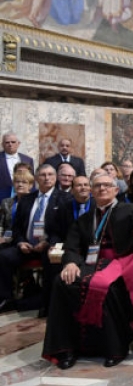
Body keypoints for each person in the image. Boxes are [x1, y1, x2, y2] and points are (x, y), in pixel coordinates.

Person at [42, 173, 133, 369]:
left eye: (106, 185)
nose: (102, 189)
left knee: (108, 287)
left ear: (116, 190)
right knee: (63, 283)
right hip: (90, 264)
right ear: (92, 191)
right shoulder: (85, 219)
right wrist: (70, 263)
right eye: (97, 186)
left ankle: (114, 348)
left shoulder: (132, 210)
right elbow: (71, 246)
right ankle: (66, 348)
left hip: (122, 264)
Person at [6, 164, 72, 315]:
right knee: (3, 257)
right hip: (26, 245)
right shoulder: (27, 199)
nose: (47, 178)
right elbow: (16, 227)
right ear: (36, 178)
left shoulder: (65, 199)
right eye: (43, 175)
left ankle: (48, 304)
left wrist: (48, 242)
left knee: (53, 259)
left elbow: (64, 229)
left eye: (50, 174)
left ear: (55, 178)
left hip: (50, 244)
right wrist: (21, 241)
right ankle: (7, 299)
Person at [0, 169, 35, 311]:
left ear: (31, 185)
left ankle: (9, 294)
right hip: (6, 239)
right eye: (17, 182)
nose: (20, 185)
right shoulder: (7, 202)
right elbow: (2, 224)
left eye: (24, 182)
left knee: (3, 256)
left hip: (23, 241)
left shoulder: (34, 202)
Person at [1, 132, 33, 199]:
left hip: (24, 197)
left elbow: (31, 180)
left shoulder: (28, 159)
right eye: (7, 142)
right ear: (2, 144)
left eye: (13, 142)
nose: (10, 144)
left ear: (18, 144)